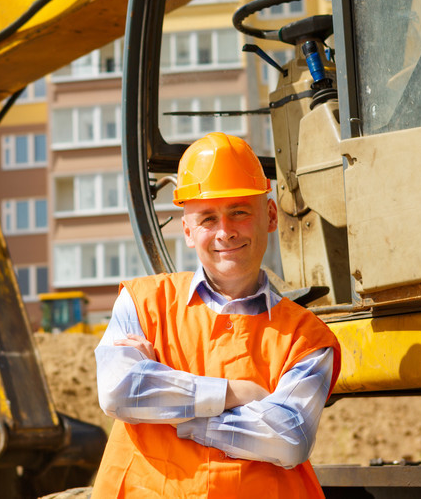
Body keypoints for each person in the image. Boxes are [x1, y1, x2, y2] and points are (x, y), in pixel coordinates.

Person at [93, 131, 340, 497]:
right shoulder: (142, 303)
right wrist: (233, 394)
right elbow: (118, 391)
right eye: (208, 218)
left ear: (270, 215)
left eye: (239, 212)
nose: (225, 231)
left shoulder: (307, 339)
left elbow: (288, 437)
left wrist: (167, 409)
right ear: (188, 232)